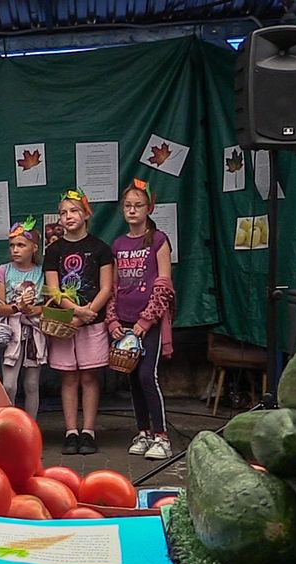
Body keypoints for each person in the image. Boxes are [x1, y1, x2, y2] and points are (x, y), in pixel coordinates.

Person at [107, 180, 176, 460]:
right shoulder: (119, 244)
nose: (132, 210)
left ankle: (162, 437)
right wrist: (112, 321)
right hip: (123, 324)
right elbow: (112, 287)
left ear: (149, 208)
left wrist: (145, 322)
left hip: (149, 324)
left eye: (138, 205)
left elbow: (164, 285)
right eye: (128, 206)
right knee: (133, 379)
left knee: (148, 376)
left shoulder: (159, 240)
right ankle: (143, 432)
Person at [44, 189, 114, 455]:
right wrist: (75, 312)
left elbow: (106, 288)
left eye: (73, 211)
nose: (68, 216)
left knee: (89, 376)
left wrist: (88, 313)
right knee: (69, 378)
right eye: (63, 213)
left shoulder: (100, 248)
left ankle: (89, 431)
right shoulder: (54, 250)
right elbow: (53, 289)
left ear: (86, 214)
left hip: (93, 323)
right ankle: (71, 431)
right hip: (65, 323)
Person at [0, 217, 46, 417]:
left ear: (34, 248)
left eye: (21, 245)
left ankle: (30, 427)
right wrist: (17, 307)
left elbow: (49, 306)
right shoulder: (2, 272)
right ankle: (9, 422)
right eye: (12, 245)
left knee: (31, 384)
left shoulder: (43, 273)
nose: (15, 250)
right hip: (12, 333)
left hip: (34, 332)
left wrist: (34, 310)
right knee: (8, 385)